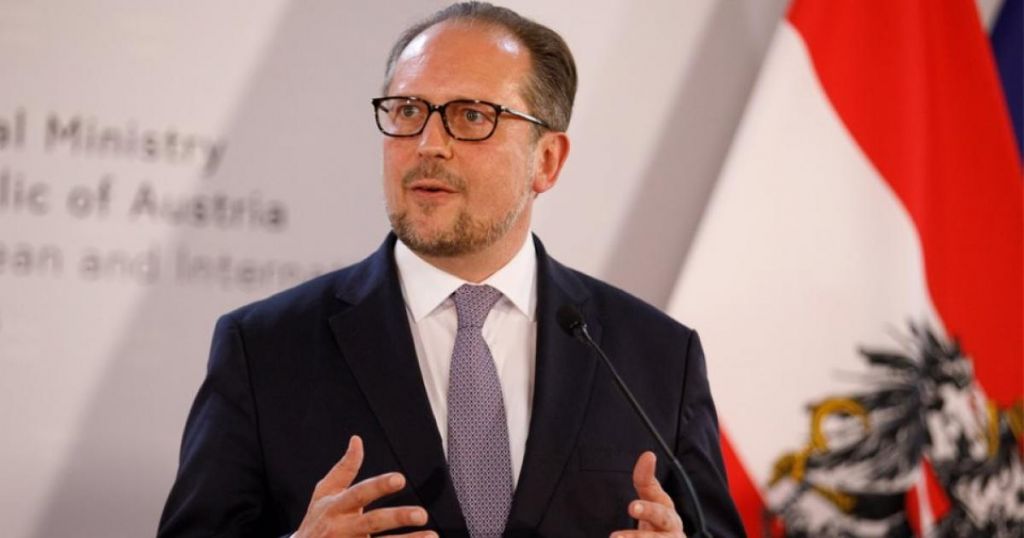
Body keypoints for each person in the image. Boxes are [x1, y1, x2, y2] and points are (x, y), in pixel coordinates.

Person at [159, 3, 744, 537]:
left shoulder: (656, 358)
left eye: (471, 116)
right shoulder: (264, 349)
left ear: (546, 160)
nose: (428, 144)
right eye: (408, 111)